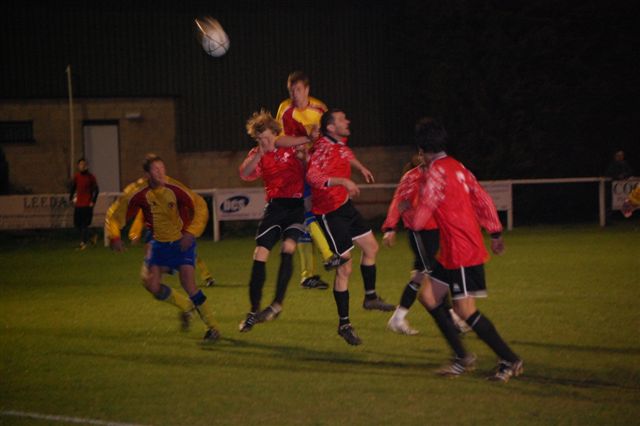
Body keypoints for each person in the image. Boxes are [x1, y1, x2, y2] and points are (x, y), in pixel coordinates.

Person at [411, 117, 523, 383]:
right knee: (428, 296)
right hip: (452, 248)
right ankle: (462, 358)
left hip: (462, 249)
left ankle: (510, 359)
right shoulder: (457, 166)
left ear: (421, 150)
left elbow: (420, 217)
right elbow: (481, 197)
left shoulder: (436, 172)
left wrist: (412, 217)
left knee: (464, 310)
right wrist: (494, 232)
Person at [105, 154, 220, 343]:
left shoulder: (174, 188)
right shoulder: (137, 191)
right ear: (147, 173)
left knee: (188, 284)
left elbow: (199, 206)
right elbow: (116, 213)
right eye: (155, 169)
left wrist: (191, 233)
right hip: (158, 244)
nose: (160, 172)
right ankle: (186, 306)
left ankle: (212, 328)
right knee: (151, 284)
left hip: (181, 240)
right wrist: (115, 235)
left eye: (162, 168)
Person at [306, 108, 395, 346]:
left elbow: (346, 154)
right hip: (329, 213)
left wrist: (360, 168)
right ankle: (344, 325)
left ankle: (370, 297)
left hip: (345, 207)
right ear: (331, 127)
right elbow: (313, 177)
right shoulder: (322, 149)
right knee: (344, 268)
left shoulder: (339, 143)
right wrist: (343, 180)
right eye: (342, 119)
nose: (348, 121)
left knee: (371, 248)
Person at [237, 110, 313, 332]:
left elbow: (311, 167)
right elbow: (244, 173)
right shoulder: (258, 154)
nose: (265, 142)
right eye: (261, 139)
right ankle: (253, 312)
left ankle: (277, 304)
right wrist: (259, 154)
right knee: (260, 253)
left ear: (276, 134)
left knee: (288, 248)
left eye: (268, 137)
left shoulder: (291, 148)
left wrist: (305, 159)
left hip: (296, 206)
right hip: (275, 208)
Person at [276, 70, 343, 290]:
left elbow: (333, 137)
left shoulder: (319, 109)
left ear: (307, 89)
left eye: (298, 90)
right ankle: (319, 263)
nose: (294, 94)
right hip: (294, 170)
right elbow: (279, 140)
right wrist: (306, 140)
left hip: (316, 170)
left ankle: (310, 273)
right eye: (291, 90)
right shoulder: (285, 109)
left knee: (311, 216)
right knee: (306, 214)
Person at [129, 209, 217, 287]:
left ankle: (207, 277)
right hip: (154, 232)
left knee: (189, 254)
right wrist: (135, 234)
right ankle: (157, 278)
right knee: (152, 256)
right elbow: (140, 218)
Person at [69, 158, 99, 249]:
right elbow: (73, 188)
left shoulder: (91, 177)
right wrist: (71, 198)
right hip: (78, 204)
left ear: (87, 166)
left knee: (84, 224)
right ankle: (92, 235)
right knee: (77, 224)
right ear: (78, 166)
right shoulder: (77, 177)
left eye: (84, 164)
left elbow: (96, 190)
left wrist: (93, 201)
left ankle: (83, 243)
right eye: (81, 164)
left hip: (87, 204)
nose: (82, 166)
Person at [605, 150, 634, 224]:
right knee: (611, 203)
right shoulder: (612, 164)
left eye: (622, 155)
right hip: (614, 187)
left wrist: (624, 175)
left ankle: (628, 218)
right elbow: (609, 174)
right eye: (619, 155)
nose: (620, 157)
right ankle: (608, 220)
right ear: (615, 156)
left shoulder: (625, 164)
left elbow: (630, 172)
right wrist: (617, 177)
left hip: (625, 188)